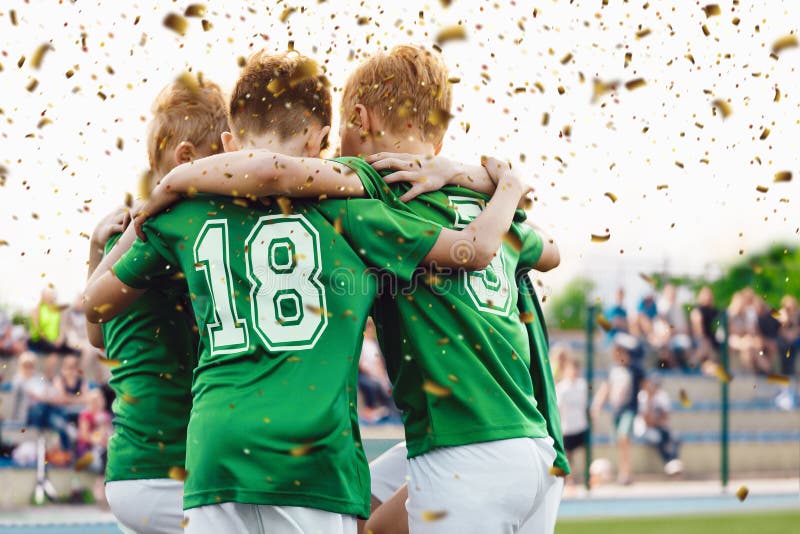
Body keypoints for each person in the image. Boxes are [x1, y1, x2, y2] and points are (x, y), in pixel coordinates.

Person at [85, 49, 531, 534]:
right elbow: (472, 250)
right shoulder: (352, 212)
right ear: (322, 142)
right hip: (311, 457)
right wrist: (480, 177)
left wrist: (144, 217)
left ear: (230, 142)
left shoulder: (184, 211)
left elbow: (94, 306)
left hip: (215, 453)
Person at [85, 76, 229, 534]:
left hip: (133, 464)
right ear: (188, 158)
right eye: (224, 156)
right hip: (168, 467)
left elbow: (96, 335)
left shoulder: (124, 230)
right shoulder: (176, 232)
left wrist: (95, 249)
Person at [591, 333, 642, 485]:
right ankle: (623, 470)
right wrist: (597, 405)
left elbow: (646, 387)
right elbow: (606, 388)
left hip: (629, 409)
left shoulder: (635, 370)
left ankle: (626, 472)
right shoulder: (613, 369)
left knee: (623, 437)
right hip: (616, 410)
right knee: (619, 441)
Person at [635, 375, 683, 476]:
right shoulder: (642, 396)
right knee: (656, 438)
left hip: (660, 427)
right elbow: (647, 421)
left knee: (676, 437)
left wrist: (656, 421)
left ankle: (672, 463)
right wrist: (649, 400)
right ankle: (670, 464)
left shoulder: (662, 395)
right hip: (645, 429)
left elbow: (665, 418)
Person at [555, 356, 588, 488]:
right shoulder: (561, 388)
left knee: (585, 454)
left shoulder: (583, 385)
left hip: (581, 425)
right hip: (567, 427)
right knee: (569, 456)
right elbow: (558, 408)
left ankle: (587, 478)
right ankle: (569, 480)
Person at [358, 319, 396, 423]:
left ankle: (389, 411)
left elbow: (380, 362)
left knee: (389, 385)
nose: (370, 330)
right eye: (368, 328)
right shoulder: (361, 344)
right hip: (365, 375)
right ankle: (372, 412)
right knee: (372, 384)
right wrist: (374, 374)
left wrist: (382, 376)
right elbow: (361, 364)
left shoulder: (375, 343)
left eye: (371, 328)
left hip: (377, 373)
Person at [689, 286, 720, 370]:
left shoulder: (715, 311)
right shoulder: (697, 311)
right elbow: (698, 330)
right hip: (701, 339)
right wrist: (704, 339)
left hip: (713, 340)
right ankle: (690, 365)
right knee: (705, 347)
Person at [28, 288, 66, 354]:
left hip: (55, 341)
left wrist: (60, 339)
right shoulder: (37, 309)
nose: (51, 297)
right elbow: (38, 329)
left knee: (73, 352)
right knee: (53, 351)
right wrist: (49, 341)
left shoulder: (59, 310)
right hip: (39, 340)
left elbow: (62, 326)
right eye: (49, 295)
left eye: (52, 294)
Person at [777, 295, 800, 376]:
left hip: (795, 338)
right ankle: (785, 371)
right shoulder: (780, 314)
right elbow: (780, 330)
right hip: (783, 339)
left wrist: (794, 321)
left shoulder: (797, 315)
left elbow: (797, 329)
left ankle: (791, 371)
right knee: (784, 346)